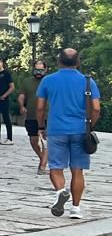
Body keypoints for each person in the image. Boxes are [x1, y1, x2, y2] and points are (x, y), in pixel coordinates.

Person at [37, 48, 102, 219]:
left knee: (56, 167)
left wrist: (41, 126)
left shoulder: (48, 80)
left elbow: (40, 107)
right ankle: (76, 208)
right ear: (78, 62)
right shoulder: (88, 81)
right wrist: (89, 125)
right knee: (77, 170)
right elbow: (96, 108)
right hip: (80, 130)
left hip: (56, 129)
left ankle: (60, 191)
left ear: (59, 61)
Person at [18, 59, 49, 175]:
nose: (38, 72)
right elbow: (21, 95)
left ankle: (42, 166)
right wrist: (21, 106)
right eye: (36, 69)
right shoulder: (27, 82)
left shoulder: (49, 81)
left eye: (41, 69)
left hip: (47, 115)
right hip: (31, 114)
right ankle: (42, 158)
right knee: (33, 140)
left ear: (45, 70)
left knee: (46, 140)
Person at [0, 59, 15, 145]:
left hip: (4, 99)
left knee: (6, 118)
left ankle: (9, 138)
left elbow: (12, 87)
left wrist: (4, 95)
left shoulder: (7, 73)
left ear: (2, 64)